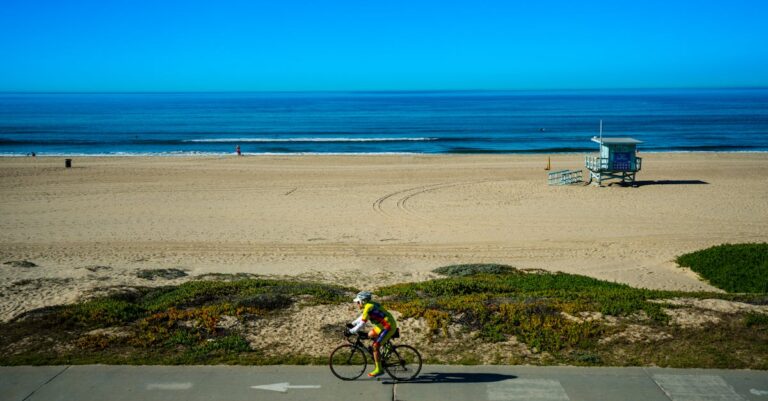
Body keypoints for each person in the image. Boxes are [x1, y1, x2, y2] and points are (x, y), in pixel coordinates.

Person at [347, 291, 398, 377]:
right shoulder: (370, 305)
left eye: (358, 302)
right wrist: (352, 324)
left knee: (375, 346)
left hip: (388, 326)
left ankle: (379, 369)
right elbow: (363, 317)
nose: (357, 304)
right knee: (370, 334)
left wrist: (351, 331)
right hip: (383, 325)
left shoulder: (368, 307)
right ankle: (383, 348)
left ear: (363, 301)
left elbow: (362, 324)